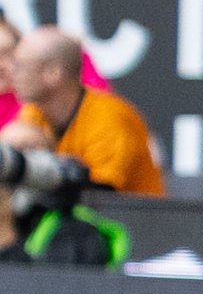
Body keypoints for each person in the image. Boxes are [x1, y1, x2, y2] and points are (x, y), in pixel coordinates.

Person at [4, 25, 164, 194]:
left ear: (53, 73)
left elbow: (100, 192)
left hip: (125, 218)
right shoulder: (34, 114)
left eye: (21, 66)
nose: (13, 74)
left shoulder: (109, 118)